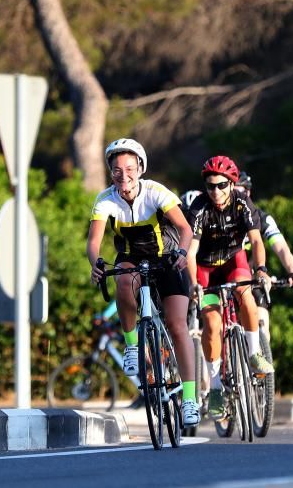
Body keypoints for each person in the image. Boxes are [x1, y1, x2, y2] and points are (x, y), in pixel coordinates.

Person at [86, 138, 200, 427]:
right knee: (123, 282)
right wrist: (96, 263)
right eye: (116, 171)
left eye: (129, 169)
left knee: (177, 326)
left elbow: (185, 228)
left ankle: (189, 399)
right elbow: (94, 242)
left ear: (140, 168)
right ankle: (132, 346)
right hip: (130, 259)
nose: (123, 176)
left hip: (167, 258)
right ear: (110, 173)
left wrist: (183, 253)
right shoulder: (105, 199)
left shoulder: (155, 192)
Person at [184, 155, 274, 419]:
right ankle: (214, 388)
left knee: (246, 295)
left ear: (232, 184)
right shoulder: (199, 208)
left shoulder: (243, 202)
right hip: (205, 269)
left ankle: (254, 352)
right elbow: (190, 252)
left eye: (222, 185)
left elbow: (256, 241)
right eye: (211, 186)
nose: (216, 192)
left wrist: (261, 270)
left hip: (234, 260)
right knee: (211, 324)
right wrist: (193, 285)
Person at [234, 171, 293, 341]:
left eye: (239, 192)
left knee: (262, 317)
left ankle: (264, 352)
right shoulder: (222, 218)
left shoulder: (262, 218)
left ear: (248, 193)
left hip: (252, 275)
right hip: (229, 273)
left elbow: (281, 247)